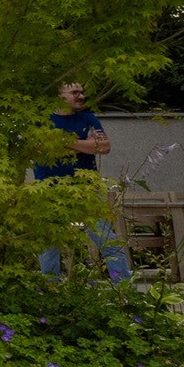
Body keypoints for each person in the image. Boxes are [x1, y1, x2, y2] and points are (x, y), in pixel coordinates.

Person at [33, 81, 131, 282]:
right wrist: (86, 144)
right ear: (59, 96)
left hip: (87, 188)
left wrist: (66, 142)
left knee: (105, 237)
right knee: (49, 241)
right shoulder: (42, 120)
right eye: (75, 92)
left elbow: (104, 147)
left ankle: (124, 286)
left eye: (82, 92)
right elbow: (43, 149)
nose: (81, 96)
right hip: (49, 187)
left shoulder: (89, 118)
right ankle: (50, 287)